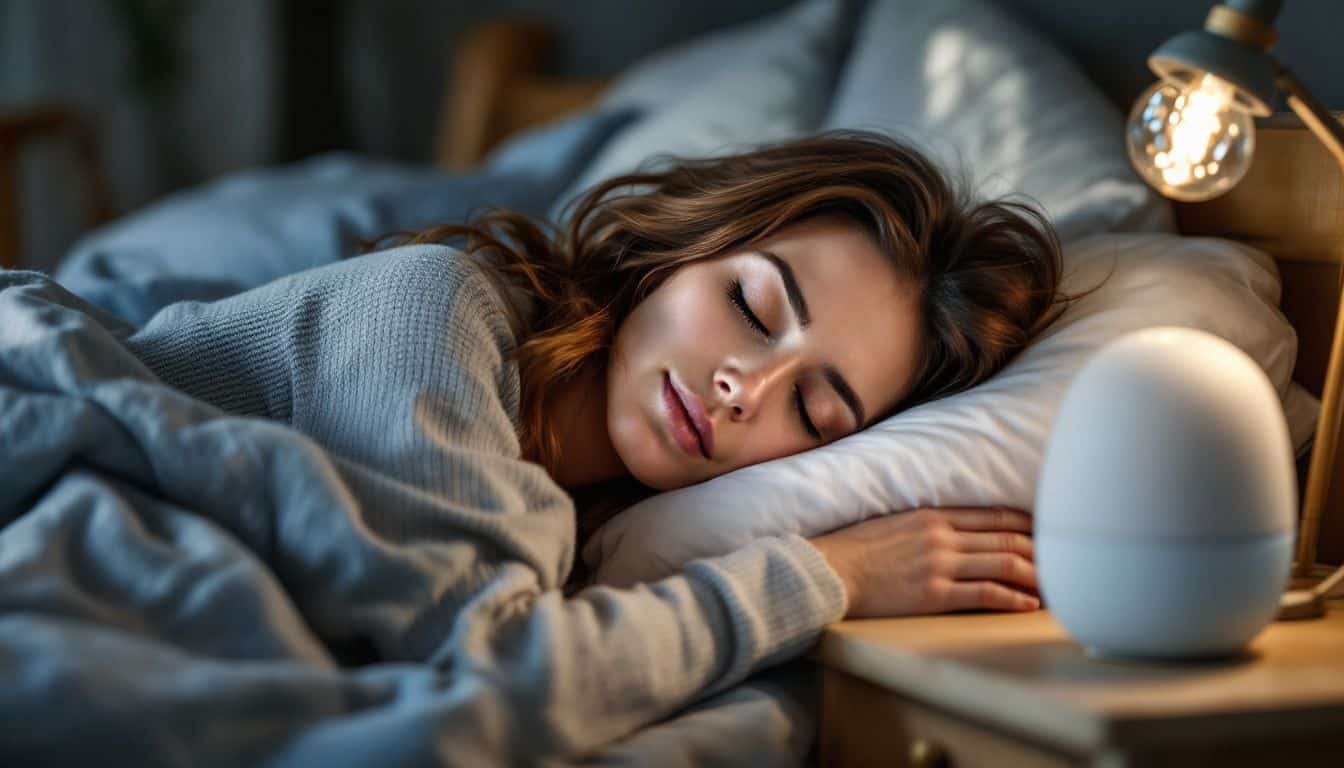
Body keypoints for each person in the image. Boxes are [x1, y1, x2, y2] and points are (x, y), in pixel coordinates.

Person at [10, 131, 1066, 762]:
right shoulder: (433, 312)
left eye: (818, 415)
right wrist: (827, 573)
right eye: (750, 305)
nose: (750, 389)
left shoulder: (573, 526)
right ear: (680, 247)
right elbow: (500, 674)